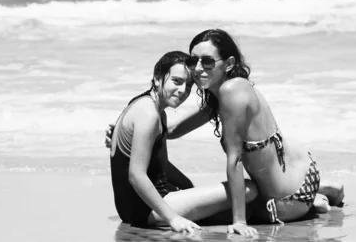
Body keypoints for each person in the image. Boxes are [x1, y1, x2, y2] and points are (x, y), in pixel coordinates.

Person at [183, 29, 344, 234]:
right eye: (192, 61)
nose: (197, 68)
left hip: (284, 204)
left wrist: (239, 221)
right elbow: (171, 130)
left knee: (205, 213)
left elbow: (235, 160)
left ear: (229, 64)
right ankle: (322, 192)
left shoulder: (231, 91)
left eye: (207, 61)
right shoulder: (231, 90)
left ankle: (315, 201)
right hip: (304, 175)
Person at [109, 50, 258, 234]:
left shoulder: (145, 106)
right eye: (177, 81)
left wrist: (188, 187)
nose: (182, 91)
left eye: (188, 86)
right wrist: (173, 218)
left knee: (246, 208)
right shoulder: (148, 114)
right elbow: (136, 175)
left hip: (132, 209)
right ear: (157, 78)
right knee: (249, 189)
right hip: (147, 209)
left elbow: (159, 160)